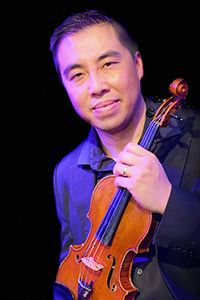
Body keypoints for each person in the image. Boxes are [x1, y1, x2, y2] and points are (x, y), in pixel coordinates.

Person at [50, 10, 200, 300]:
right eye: (77, 75)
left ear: (138, 64)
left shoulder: (197, 137)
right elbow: (68, 270)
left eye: (108, 64)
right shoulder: (66, 172)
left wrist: (168, 201)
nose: (96, 87)